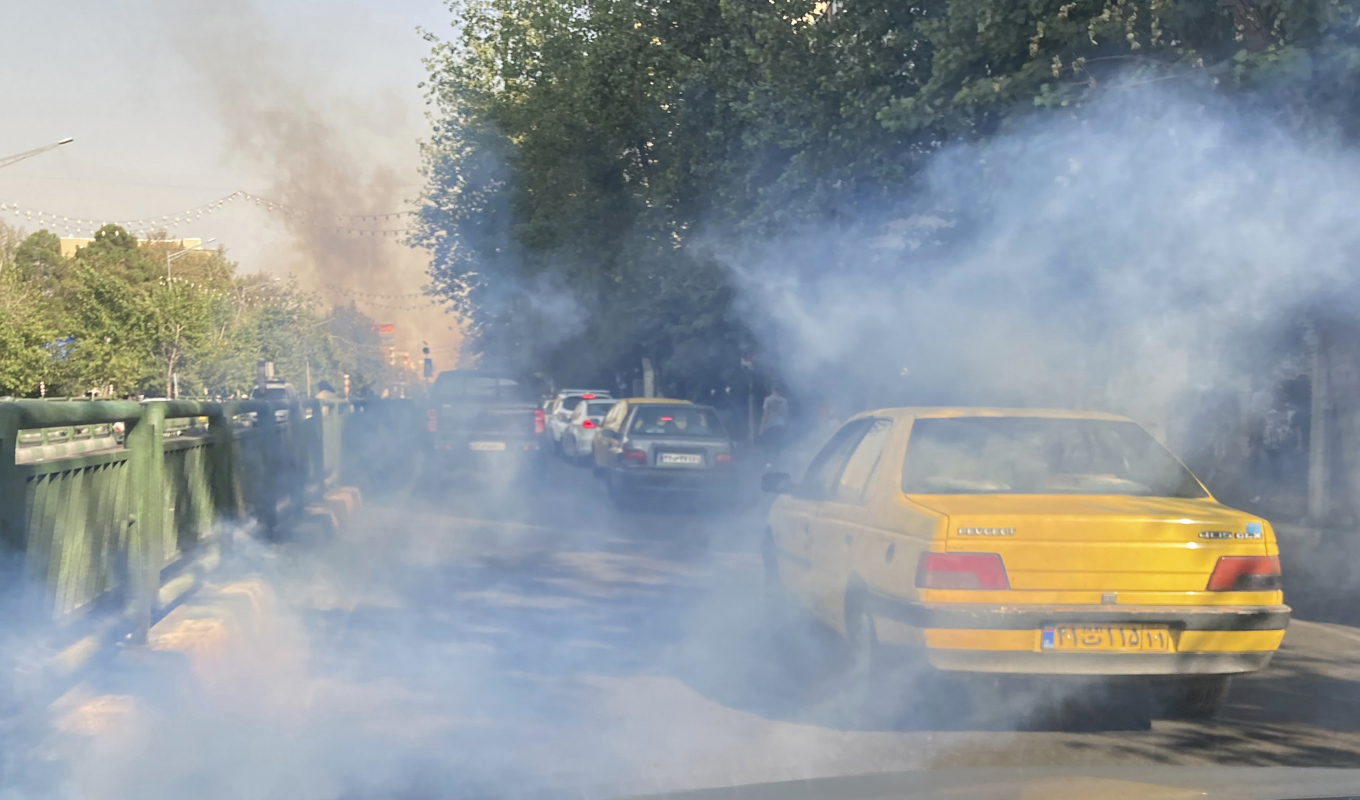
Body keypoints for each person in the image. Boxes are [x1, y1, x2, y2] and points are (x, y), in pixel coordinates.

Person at [759, 384, 790, 467]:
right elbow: (785, 414)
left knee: (768, 443)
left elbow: (765, 414)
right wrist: (786, 424)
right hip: (780, 425)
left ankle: (768, 462)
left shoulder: (768, 400)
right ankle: (777, 461)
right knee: (778, 444)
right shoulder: (784, 401)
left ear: (773, 390)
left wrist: (762, 426)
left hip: (770, 425)